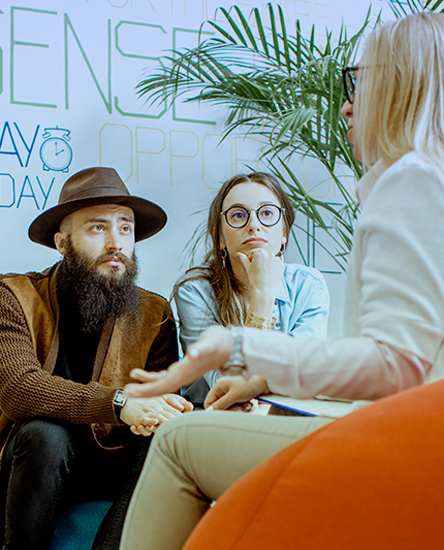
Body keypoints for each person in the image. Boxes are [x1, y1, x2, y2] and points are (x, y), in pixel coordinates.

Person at [120, 12, 444, 550]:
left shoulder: (410, 180)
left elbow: (396, 366)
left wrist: (242, 345)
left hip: (405, 440)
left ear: (399, 88)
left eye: (359, 83)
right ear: (219, 235)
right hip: (413, 427)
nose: (346, 105)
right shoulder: (426, 179)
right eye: (238, 216)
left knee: (177, 441)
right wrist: (260, 376)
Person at [0, 167, 192, 550]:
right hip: (31, 465)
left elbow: (161, 402)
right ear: (62, 242)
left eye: (125, 228)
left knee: (161, 438)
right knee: (47, 433)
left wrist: (161, 411)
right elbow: (18, 389)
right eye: (97, 228)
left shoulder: (153, 313)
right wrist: (119, 404)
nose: (116, 242)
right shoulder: (14, 296)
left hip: (110, 465)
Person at [174, 171, 329, 410]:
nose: (254, 225)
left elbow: (302, 375)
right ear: (220, 238)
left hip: (286, 414)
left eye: (267, 213)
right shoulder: (195, 293)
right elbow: (228, 388)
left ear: (284, 233)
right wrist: (262, 295)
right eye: (238, 215)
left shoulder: (308, 285)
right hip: (216, 419)